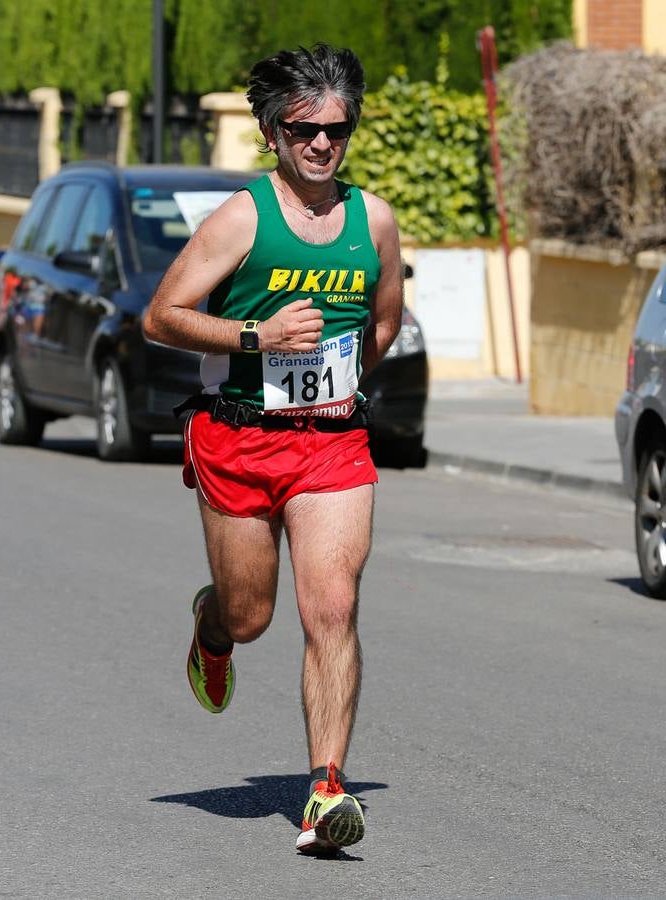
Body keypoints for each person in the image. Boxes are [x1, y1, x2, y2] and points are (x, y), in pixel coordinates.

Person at [142, 43, 403, 855]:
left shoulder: (375, 220)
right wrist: (257, 334)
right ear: (271, 132)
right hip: (239, 437)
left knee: (332, 608)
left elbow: (385, 316)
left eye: (337, 128)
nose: (322, 144)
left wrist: (346, 376)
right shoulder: (243, 219)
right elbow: (161, 317)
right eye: (304, 129)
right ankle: (212, 627)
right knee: (252, 614)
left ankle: (326, 791)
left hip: (331, 444)